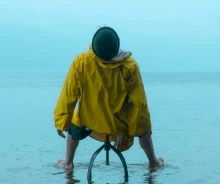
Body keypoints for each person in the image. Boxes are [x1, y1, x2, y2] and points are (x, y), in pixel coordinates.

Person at [54, 26, 164, 171]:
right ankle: (153, 162)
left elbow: (68, 95)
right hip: (119, 124)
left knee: (75, 122)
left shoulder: (81, 62)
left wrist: (62, 121)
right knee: (143, 129)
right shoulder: (129, 65)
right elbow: (140, 103)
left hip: (89, 121)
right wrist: (144, 127)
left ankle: (68, 162)